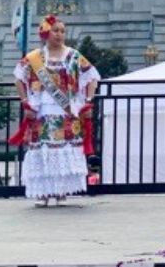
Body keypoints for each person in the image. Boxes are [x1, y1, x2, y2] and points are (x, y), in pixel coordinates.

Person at [11, 15, 100, 207]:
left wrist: (89, 101)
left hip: (66, 111)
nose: (59, 34)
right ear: (46, 33)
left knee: (64, 150)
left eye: (62, 31)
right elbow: (18, 77)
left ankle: (60, 191)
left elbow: (92, 77)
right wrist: (25, 101)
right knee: (43, 150)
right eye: (55, 30)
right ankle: (43, 194)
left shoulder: (74, 56)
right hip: (42, 111)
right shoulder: (35, 57)